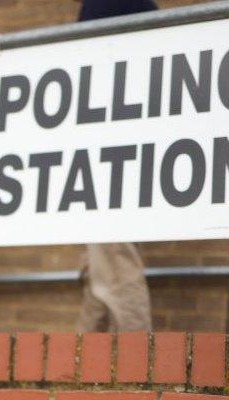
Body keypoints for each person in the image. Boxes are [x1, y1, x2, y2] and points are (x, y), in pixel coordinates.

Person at [75, 0, 154, 333]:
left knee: (115, 265)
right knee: (99, 267)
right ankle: (81, 364)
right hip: (115, 144)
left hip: (116, 144)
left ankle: (138, 367)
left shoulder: (113, 5)